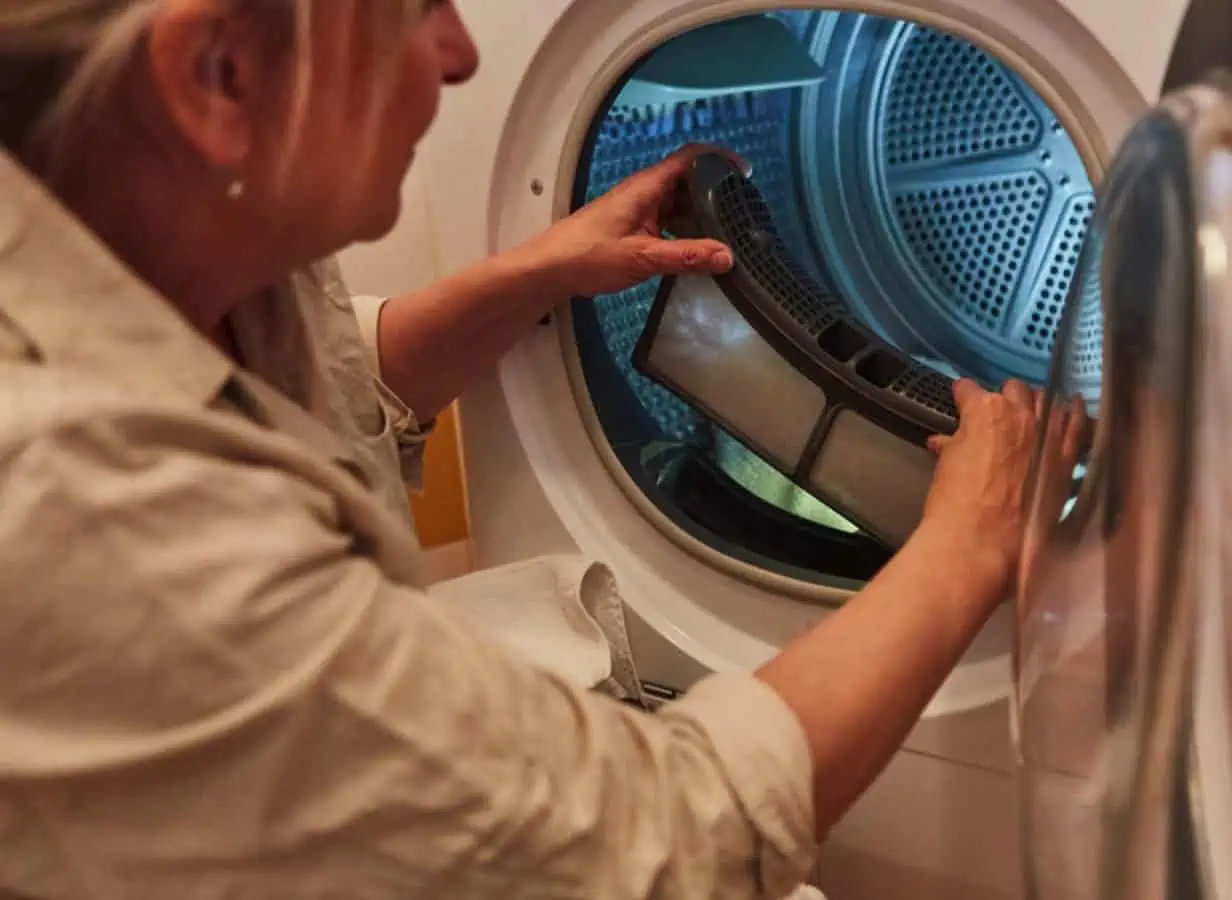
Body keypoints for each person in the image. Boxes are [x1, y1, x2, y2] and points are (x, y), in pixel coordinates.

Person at [0, 2, 1090, 899]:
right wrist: (968, 541)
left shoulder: (164, 240)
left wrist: (533, 276)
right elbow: (657, 839)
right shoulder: (90, 505)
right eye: (416, 10)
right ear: (220, 75)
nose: (463, 52)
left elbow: (318, 393)